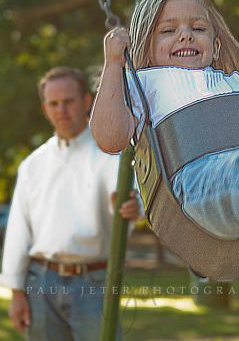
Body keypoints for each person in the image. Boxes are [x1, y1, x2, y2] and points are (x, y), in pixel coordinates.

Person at [90, 0, 239, 246]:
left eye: (198, 28)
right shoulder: (145, 82)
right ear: (147, 47)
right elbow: (110, 138)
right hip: (195, 185)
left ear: (216, 46)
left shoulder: (238, 84)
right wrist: (114, 64)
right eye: (167, 31)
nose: (185, 35)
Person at [0, 66, 141, 341]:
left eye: (69, 101)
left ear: (87, 101)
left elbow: (128, 205)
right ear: (45, 109)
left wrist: (129, 207)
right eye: (54, 103)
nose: (61, 110)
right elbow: (18, 231)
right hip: (40, 284)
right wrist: (16, 292)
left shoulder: (112, 155)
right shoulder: (33, 164)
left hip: (94, 283)